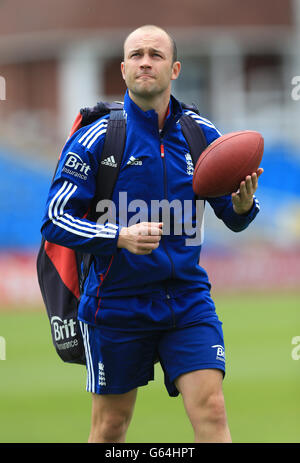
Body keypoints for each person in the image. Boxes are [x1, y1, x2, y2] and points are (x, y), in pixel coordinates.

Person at [41, 24, 263, 443]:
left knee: (213, 412)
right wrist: (119, 236)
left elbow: (233, 216)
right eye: (137, 55)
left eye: (156, 55)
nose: (146, 61)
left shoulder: (201, 136)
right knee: (110, 428)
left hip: (187, 299)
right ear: (123, 69)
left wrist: (242, 207)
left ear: (175, 68)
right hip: (116, 306)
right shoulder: (97, 138)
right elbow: (54, 218)